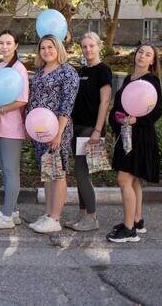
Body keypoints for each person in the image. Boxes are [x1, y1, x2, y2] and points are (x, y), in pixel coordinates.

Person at [106, 44, 162, 243]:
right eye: (140, 52)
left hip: (141, 137)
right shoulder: (129, 80)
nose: (142, 56)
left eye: (148, 54)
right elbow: (119, 108)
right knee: (135, 181)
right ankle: (137, 220)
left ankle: (129, 229)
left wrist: (136, 121)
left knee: (124, 180)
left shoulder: (151, 81)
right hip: (127, 135)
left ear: (152, 61)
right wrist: (117, 121)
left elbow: (157, 111)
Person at [26, 35, 80, 234]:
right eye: (43, 48)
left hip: (58, 129)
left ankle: (56, 218)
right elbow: (32, 101)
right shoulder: (39, 72)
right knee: (47, 173)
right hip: (39, 130)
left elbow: (67, 104)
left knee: (58, 173)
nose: (47, 51)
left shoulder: (68, 72)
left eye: (50, 47)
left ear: (58, 48)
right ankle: (48, 214)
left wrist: (58, 132)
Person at [0, 30, 29, 230]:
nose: (4, 47)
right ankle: (14, 211)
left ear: (16, 45)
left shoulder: (19, 69)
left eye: (8, 43)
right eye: (1, 43)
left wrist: (1, 110)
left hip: (11, 127)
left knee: (11, 171)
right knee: (5, 170)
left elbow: (22, 99)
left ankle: (7, 215)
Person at [67, 31, 112, 232]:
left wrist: (97, 129)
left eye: (91, 46)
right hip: (76, 126)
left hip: (90, 128)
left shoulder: (103, 70)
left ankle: (92, 217)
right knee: (79, 174)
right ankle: (82, 214)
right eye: (84, 46)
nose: (87, 50)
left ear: (98, 46)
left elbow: (105, 102)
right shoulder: (81, 70)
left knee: (81, 171)